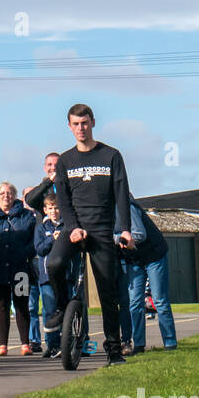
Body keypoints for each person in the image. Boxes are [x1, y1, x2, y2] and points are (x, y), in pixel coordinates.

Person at [43, 104, 134, 366]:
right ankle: (62, 306)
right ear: (69, 126)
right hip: (74, 227)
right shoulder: (66, 161)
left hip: (101, 230)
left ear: (92, 122)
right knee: (54, 264)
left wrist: (125, 230)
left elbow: (121, 195)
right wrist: (72, 228)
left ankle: (114, 351)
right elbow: (64, 200)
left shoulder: (111, 156)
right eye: (75, 124)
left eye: (84, 123)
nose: (81, 128)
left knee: (108, 292)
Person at [118, 197, 179, 353]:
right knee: (135, 302)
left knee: (159, 299)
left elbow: (139, 234)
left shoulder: (128, 207)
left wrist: (116, 239)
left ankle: (170, 342)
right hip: (134, 259)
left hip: (154, 254)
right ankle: (139, 344)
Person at [22, 152, 62, 350]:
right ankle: (52, 345)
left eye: (56, 163)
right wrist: (48, 182)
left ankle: (79, 341)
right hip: (46, 253)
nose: (53, 166)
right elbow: (30, 199)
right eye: (49, 164)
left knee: (74, 300)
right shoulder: (43, 189)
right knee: (48, 306)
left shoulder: (68, 186)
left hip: (66, 253)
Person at [0, 182, 36, 356]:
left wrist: (25, 253)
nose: (6, 196)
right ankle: (3, 345)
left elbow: (34, 240)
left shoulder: (27, 216)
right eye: (2, 193)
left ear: (15, 196)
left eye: (10, 193)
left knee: (22, 304)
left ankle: (25, 343)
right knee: (1, 305)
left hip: (20, 268)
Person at [33, 193, 63, 358]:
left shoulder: (67, 226)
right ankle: (52, 345)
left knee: (66, 309)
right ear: (45, 210)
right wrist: (52, 239)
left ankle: (69, 342)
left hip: (65, 276)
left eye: (57, 207)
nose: (54, 211)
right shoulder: (41, 228)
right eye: (50, 208)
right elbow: (40, 249)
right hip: (47, 277)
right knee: (49, 310)